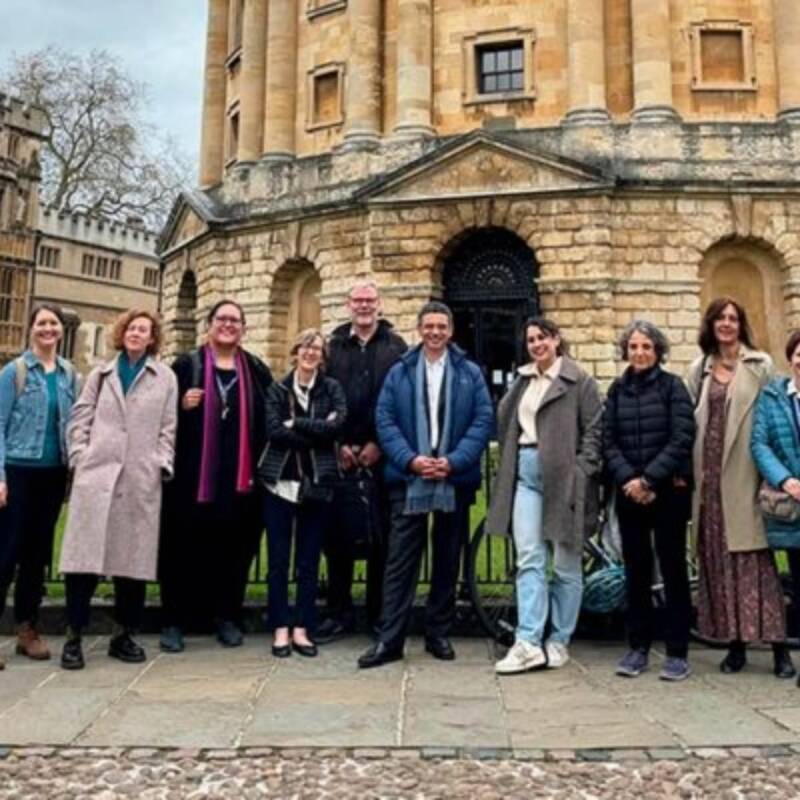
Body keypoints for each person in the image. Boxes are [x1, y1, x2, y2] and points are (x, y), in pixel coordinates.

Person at [357, 301, 494, 669]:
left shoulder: (468, 371)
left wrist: (454, 461)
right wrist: (410, 460)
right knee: (400, 562)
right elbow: (385, 420)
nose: (435, 332)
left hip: (454, 477)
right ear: (419, 329)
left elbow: (483, 419)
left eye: (441, 326)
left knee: (448, 559)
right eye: (429, 326)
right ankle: (390, 639)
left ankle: (438, 632)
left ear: (450, 331)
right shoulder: (401, 370)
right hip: (409, 477)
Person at [59, 310, 178, 670]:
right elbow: (81, 416)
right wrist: (80, 454)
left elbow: (168, 427)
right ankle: (73, 636)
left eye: (144, 330)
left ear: (153, 337)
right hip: (97, 475)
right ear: (122, 333)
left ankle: (124, 635)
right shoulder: (101, 373)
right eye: (131, 328)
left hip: (139, 477)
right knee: (83, 564)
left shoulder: (165, 378)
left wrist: (161, 463)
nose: (136, 334)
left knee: (132, 564)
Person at [487, 317, 602, 674]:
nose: (536, 345)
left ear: (556, 340)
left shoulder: (579, 380)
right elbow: (507, 422)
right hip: (526, 471)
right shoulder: (523, 381)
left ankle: (559, 639)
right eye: (531, 340)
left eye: (542, 338)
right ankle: (528, 640)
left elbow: (595, 430)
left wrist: (581, 470)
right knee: (529, 558)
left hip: (564, 475)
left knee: (566, 564)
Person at [688, 297, 794, 678]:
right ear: (712, 325)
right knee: (720, 565)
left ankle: (780, 649)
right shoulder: (699, 368)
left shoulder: (760, 365)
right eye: (721, 318)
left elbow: (772, 416)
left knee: (756, 567)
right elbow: (692, 421)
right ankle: (735, 646)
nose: (727, 324)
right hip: (710, 481)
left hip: (746, 477)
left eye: (733, 318)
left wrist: (777, 473)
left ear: (741, 324)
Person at [159, 300, 273, 653]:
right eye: (221, 319)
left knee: (235, 550)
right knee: (181, 549)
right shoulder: (185, 365)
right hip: (191, 478)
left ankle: (227, 616)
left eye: (235, 320)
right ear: (209, 325)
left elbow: (270, 420)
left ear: (243, 327)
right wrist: (180, 403)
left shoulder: (255, 369)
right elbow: (160, 415)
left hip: (240, 479)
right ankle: (175, 620)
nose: (228, 325)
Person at [602, 320, 695, 681]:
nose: (639, 353)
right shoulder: (617, 390)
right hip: (630, 493)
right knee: (636, 571)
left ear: (658, 352)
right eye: (634, 347)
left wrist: (649, 478)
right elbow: (609, 439)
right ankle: (637, 647)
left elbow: (682, 435)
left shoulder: (673, 388)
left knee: (672, 569)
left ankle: (677, 651)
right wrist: (628, 478)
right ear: (626, 351)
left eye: (646, 347)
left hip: (666, 490)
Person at [317, 282, 406, 643]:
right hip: (339, 452)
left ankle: (377, 614)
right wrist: (338, 443)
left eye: (370, 300)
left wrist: (378, 445)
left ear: (380, 305)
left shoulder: (396, 348)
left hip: (380, 453)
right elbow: (321, 397)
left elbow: (401, 399)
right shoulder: (333, 346)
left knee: (380, 536)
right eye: (358, 300)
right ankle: (338, 611)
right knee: (336, 537)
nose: (364, 306)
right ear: (348, 304)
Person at [258, 329, 347, 658]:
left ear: (323, 358)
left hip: (318, 481)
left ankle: (302, 627)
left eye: (317, 350)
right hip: (279, 482)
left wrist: (296, 424)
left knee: (309, 561)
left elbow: (338, 426)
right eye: (305, 348)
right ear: (295, 352)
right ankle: (280, 627)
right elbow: (273, 431)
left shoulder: (331, 388)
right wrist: (315, 429)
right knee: (279, 560)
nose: (310, 354)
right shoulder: (278, 388)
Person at [0, 304, 77, 668]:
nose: (48, 329)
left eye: (53, 323)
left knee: (36, 556)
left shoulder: (69, 375)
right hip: (17, 470)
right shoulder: (13, 372)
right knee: (6, 552)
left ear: (61, 331)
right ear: (32, 330)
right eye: (41, 323)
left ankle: (26, 629)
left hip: (52, 474)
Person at [752, 328, 800, 685]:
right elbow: (760, 442)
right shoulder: (773, 396)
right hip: (792, 500)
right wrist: (786, 480)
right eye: (799, 353)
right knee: (796, 581)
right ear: (791, 358)